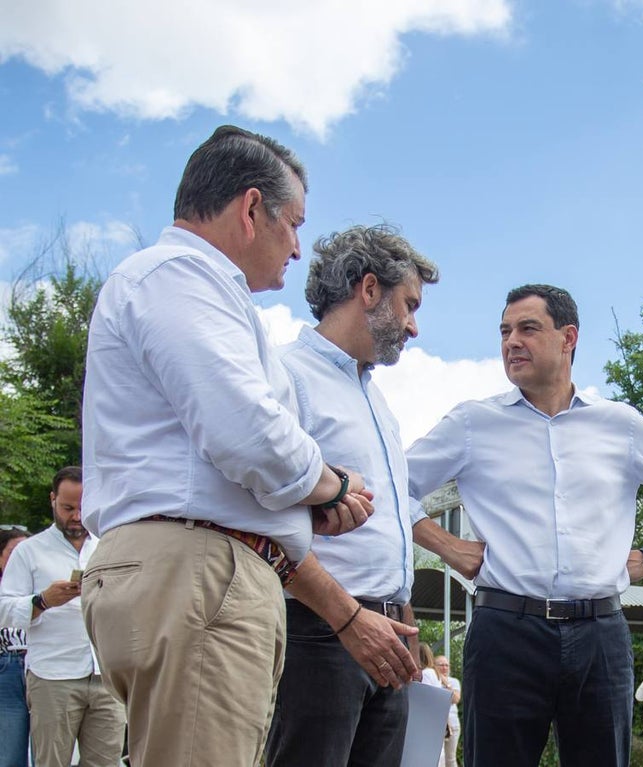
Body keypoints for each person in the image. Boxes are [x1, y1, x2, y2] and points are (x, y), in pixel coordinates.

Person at [79, 125, 407, 767]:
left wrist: (299, 508)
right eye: (294, 223)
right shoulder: (182, 274)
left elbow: (216, 447)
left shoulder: (188, 286)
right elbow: (246, 430)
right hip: (199, 569)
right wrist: (330, 484)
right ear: (252, 209)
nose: (296, 246)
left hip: (199, 567)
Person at [407, 283, 643, 767]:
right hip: (506, 629)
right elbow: (391, 482)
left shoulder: (622, 425)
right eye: (505, 331)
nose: (512, 341)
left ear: (568, 337)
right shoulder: (473, 423)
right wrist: (444, 544)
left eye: (528, 328)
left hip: (601, 634)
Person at [265, 224, 437, 767]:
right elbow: (263, 521)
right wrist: (346, 619)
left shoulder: (377, 402)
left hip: (386, 637)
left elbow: (384, 528)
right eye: (409, 305)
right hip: (320, 634)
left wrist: (402, 618)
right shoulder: (287, 377)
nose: (413, 327)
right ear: (368, 290)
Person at [0, 468, 126, 767]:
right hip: (53, 675)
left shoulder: (111, 546)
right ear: (52, 500)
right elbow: (3, 608)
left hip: (106, 673)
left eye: (83, 508)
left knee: (105, 762)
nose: (77, 516)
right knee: (51, 761)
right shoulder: (29, 551)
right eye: (68, 508)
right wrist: (42, 601)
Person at [1, 526, 32, 767]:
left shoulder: (43, 581)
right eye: (14, 551)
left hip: (43, 664)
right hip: (7, 668)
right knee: (11, 750)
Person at [433, 655, 462, 767]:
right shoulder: (432, 679)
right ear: (435, 666)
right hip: (437, 725)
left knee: (450, 759)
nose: (444, 667)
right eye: (441, 665)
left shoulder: (453, 681)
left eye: (446, 665)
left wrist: (446, 683)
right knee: (439, 760)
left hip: (452, 726)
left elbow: (455, 699)